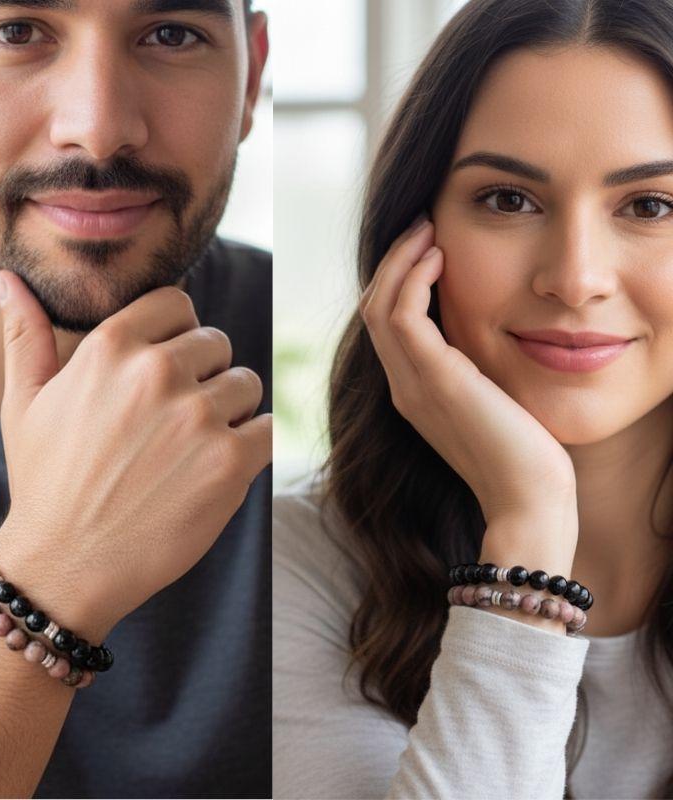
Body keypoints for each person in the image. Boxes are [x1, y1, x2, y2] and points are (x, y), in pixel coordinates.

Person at [272, 1, 673, 798]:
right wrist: (530, 526)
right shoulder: (296, 563)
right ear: (412, 238)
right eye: (508, 200)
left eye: (652, 206)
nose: (575, 276)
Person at [0, 0, 271, 797]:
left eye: (172, 34)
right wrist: (49, 567)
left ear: (252, 76)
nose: (97, 128)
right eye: (17, 32)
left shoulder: (351, 383)